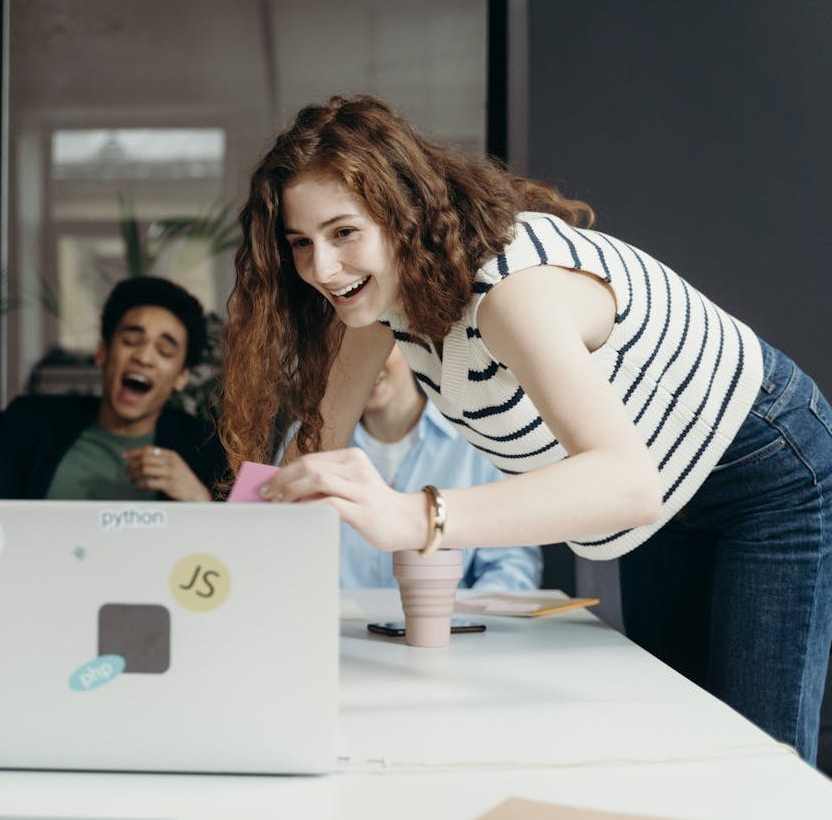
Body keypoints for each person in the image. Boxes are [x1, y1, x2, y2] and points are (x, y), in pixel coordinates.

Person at [219, 94, 832, 764]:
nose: (321, 270)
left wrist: (410, 516)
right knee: (681, 743)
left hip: (764, 469)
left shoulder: (511, 294)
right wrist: (229, 592)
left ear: (402, 216)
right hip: (669, 487)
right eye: (300, 244)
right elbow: (314, 451)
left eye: (343, 233)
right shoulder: (374, 306)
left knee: (757, 766)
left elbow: (626, 484)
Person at [0, 276, 226, 501]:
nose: (144, 357)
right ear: (103, 353)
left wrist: (199, 498)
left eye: (164, 350)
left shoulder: (203, 449)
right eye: (131, 341)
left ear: (181, 377)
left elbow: (243, 549)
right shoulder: (28, 423)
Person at [288, 345, 540, 590]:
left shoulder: (475, 440)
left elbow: (513, 565)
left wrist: (462, 621)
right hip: (337, 629)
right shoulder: (305, 443)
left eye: (376, 346)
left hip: (449, 628)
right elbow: (285, 548)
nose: (363, 361)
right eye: (339, 349)